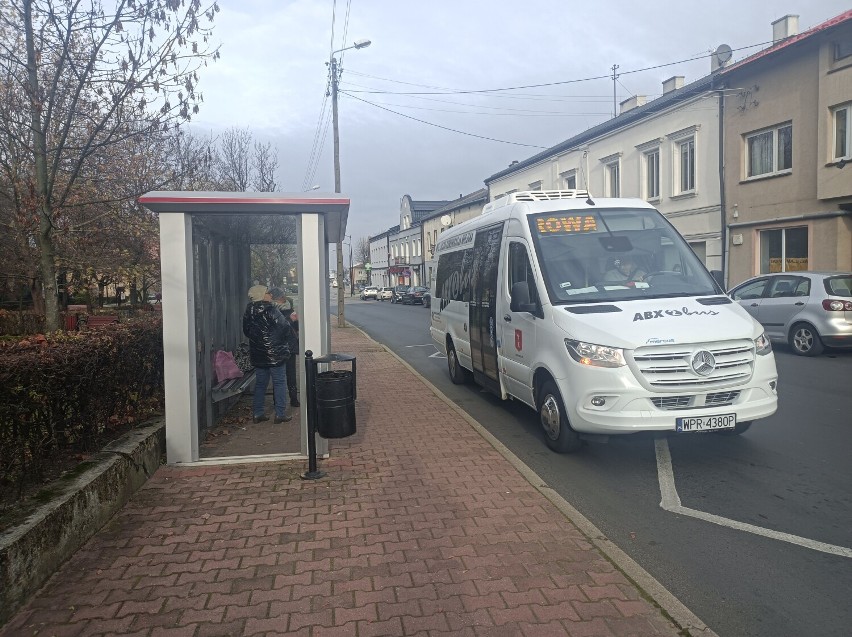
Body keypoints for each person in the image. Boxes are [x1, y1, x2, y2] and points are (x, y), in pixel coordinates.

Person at [242, 284, 293, 424]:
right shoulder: (271, 310)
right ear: (261, 295)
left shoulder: (248, 311)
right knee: (279, 382)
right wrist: (276, 338)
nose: (270, 294)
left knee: (260, 384)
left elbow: (246, 331)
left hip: (258, 353)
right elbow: (284, 327)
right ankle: (280, 414)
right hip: (275, 353)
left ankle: (258, 413)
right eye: (267, 292)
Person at [269, 287, 300, 408]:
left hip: (289, 346)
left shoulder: (288, 309)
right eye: (281, 296)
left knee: (290, 374)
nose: (283, 298)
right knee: (279, 376)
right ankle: (278, 402)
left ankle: (293, 399)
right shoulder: (271, 311)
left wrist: (296, 323)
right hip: (278, 346)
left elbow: (296, 327)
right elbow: (276, 327)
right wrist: (290, 320)